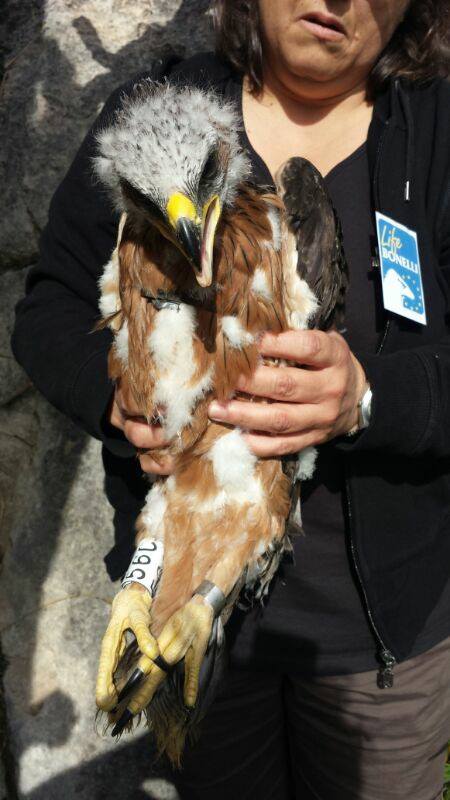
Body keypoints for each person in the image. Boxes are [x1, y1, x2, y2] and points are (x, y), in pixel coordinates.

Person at [11, 1, 450, 797]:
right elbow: (48, 313)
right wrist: (124, 402)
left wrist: (373, 395)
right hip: (188, 608)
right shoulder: (158, 119)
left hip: (380, 647)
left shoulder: (440, 131)